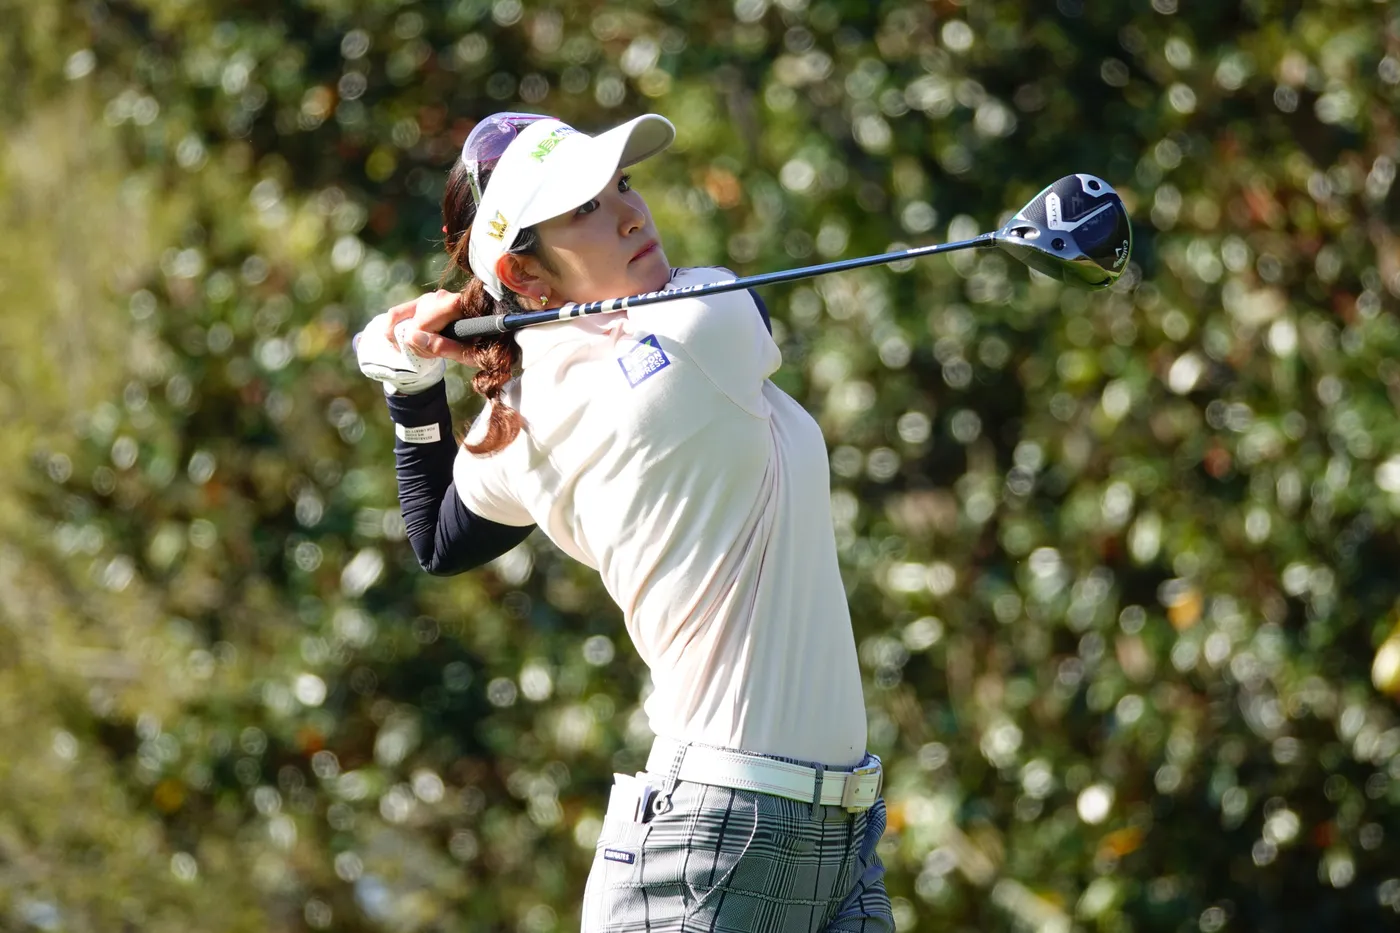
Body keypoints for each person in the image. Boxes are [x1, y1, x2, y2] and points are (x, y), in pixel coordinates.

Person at [355, 111, 894, 932]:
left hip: (834, 834)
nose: (633, 215)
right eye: (585, 209)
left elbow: (438, 536)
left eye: (624, 187)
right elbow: (442, 537)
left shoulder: (522, 417)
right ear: (525, 272)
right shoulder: (701, 327)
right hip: (715, 839)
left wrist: (411, 387)